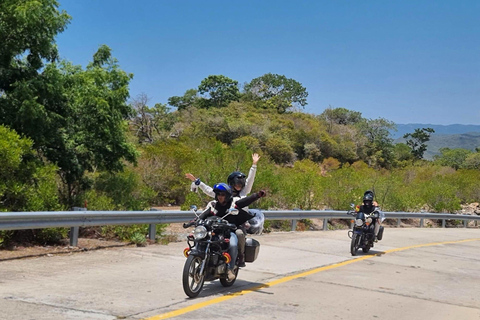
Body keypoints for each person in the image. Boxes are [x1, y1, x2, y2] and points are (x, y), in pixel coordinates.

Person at [185, 153, 261, 266]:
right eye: (237, 183)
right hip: (221, 221)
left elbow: (250, 181)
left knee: (239, 234)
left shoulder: (244, 193)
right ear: (231, 183)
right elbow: (210, 191)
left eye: (241, 183)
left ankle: (240, 256)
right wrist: (198, 182)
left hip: (237, 223)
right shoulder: (225, 193)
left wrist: (254, 165)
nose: (239, 185)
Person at [193, 183, 266, 281]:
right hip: (215, 230)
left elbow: (245, 201)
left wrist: (257, 195)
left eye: (222, 195)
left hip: (229, 230)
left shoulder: (233, 203)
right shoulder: (213, 204)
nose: (220, 197)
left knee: (233, 244)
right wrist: (194, 221)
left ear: (227, 195)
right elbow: (204, 214)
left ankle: (230, 268)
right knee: (199, 238)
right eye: (218, 194)